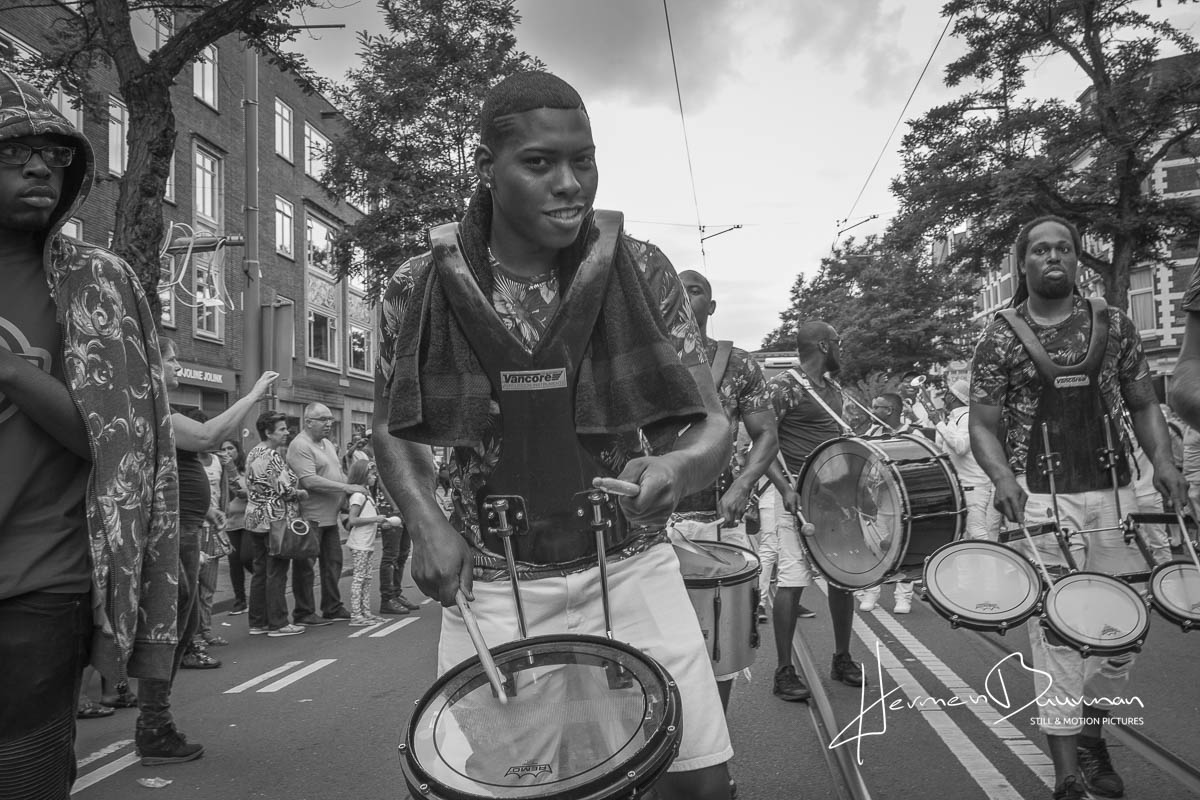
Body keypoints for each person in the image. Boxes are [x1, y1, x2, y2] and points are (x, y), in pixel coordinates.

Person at [373, 72, 735, 799]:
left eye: (584, 161)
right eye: (539, 163)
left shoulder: (643, 269)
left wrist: (676, 470)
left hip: (630, 566)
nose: (570, 184)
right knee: (507, 789)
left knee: (696, 784)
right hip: (492, 581)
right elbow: (391, 425)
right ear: (487, 167)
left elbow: (709, 423)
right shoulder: (418, 284)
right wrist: (424, 521)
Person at [0, 72, 178, 798]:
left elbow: (118, 450)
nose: (40, 167)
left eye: (54, 154)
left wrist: (9, 371)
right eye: (12, 153)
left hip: (38, 581)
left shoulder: (94, 282)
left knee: (25, 773)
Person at [970, 215, 1187, 800]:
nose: (1053, 257)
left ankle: (1089, 733)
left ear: (1075, 257)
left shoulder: (1114, 324)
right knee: (1059, 635)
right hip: (1043, 500)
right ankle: (1066, 771)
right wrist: (1002, 477)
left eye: (1063, 248)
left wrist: (1164, 463)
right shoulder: (999, 337)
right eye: (1040, 250)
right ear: (1023, 264)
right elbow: (982, 425)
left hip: (1116, 492)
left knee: (1123, 635)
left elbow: (1143, 404)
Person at [134, 336, 277, 764]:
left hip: (187, 528)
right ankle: (153, 725)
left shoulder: (161, 408)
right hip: (171, 533)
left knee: (181, 621)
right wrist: (253, 395)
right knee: (170, 622)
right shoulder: (154, 408)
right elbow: (209, 434)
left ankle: (155, 719)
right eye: (171, 359)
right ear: (151, 365)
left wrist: (208, 511)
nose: (177, 366)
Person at [673, 270, 778, 705]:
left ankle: (716, 734)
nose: (684, 297)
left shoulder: (739, 364)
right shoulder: (640, 359)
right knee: (662, 644)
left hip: (720, 523)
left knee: (722, 643)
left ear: (711, 307)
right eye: (676, 290)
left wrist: (743, 485)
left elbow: (766, 434)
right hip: (652, 529)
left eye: (695, 291)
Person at [761, 322, 866, 702]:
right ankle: (783, 671)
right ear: (824, 345)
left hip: (835, 501)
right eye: (838, 342)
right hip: (798, 499)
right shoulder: (784, 387)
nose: (841, 348)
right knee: (792, 582)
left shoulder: (833, 389)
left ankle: (842, 658)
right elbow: (762, 445)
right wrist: (785, 489)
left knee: (842, 578)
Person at [286, 403, 367, 625]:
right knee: (305, 567)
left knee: (333, 563)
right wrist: (346, 488)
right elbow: (309, 481)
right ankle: (304, 612)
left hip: (330, 517)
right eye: (323, 419)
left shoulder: (328, 444)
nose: (329, 423)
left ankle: (332, 606)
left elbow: (336, 473)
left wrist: (353, 490)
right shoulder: (300, 445)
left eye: (330, 419)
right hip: (310, 517)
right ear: (308, 422)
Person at [244, 410, 309, 637]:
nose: (286, 432)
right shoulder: (271, 456)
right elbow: (285, 490)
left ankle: (258, 621)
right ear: (268, 432)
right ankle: (278, 623)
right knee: (277, 571)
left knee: (260, 571)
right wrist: (300, 493)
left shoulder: (254, 452)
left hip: (255, 518)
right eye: (281, 429)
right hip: (274, 520)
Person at [854, 392, 917, 614]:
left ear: (889, 410)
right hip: (877, 503)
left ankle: (903, 597)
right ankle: (872, 592)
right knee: (874, 548)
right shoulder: (872, 433)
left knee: (905, 549)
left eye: (876, 407)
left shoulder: (912, 434)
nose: (872, 411)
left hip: (904, 503)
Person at [343, 460, 391, 625]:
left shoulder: (366, 495)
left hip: (367, 543)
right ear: (363, 475)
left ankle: (366, 612)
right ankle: (357, 614)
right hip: (360, 543)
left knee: (367, 578)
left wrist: (380, 523)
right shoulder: (358, 496)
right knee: (359, 578)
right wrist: (375, 519)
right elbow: (353, 519)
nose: (374, 477)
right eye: (371, 474)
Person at [378, 475, 419, 616]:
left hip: (405, 509)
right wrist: (396, 507)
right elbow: (383, 481)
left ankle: (396, 593)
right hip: (391, 511)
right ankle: (387, 598)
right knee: (391, 555)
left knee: (402, 554)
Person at [220, 439, 252, 616]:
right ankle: (240, 601)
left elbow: (242, 491)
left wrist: (231, 468)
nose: (227, 452)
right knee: (234, 561)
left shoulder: (246, 470)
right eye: (223, 449)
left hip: (247, 521)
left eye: (230, 448)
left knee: (247, 557)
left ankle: (263, 582)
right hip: (231, 523)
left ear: (238, 450)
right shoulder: (219, 470)